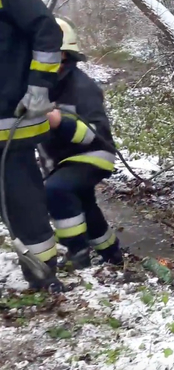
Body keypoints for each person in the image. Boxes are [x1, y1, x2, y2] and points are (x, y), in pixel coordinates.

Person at [39, 17, 123, 270]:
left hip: (93, 154)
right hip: (62, 160)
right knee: (84, 203)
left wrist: (59, 121)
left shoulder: (82, 88)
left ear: (64, 56)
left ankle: (77, 254)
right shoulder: (44, 85)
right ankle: (112, 253)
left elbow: (93, 134)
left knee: (56, 190)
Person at [0, 0, 65, 291]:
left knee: (22, 203)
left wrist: (39, 87)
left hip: (9, 126)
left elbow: (47, 30)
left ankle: (42, 277)